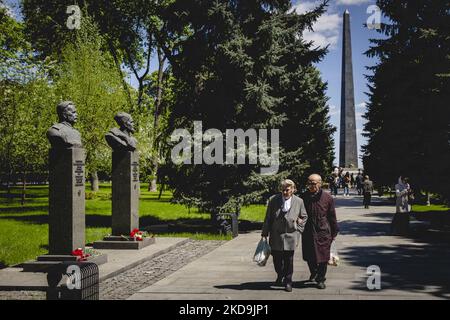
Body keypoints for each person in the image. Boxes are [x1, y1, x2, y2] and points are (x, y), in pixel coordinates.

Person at [261, 179, 308, 292]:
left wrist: (299, 230)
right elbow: (268, 218)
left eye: (287, 190)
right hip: (276, 235)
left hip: (291, 236)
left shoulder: (299, 201)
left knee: (289, 260)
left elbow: (304, 216)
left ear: (292, 189)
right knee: (276, 259)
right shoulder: (274, 200)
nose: (285, 192)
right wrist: (264, 233)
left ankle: (288, 281)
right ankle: (280, 274)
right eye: (283, 190)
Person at [302, 174, 339, 290]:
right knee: (309, 256)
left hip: (323, 231)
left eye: (314, 183)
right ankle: (314, 272)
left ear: (320, 183)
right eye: (309, 183)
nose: (311, 186)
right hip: (308, 231)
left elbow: (332, 216)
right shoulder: (303, 197)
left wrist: (334, 231)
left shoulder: (327, 198)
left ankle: (321, 279)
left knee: (323, 257)